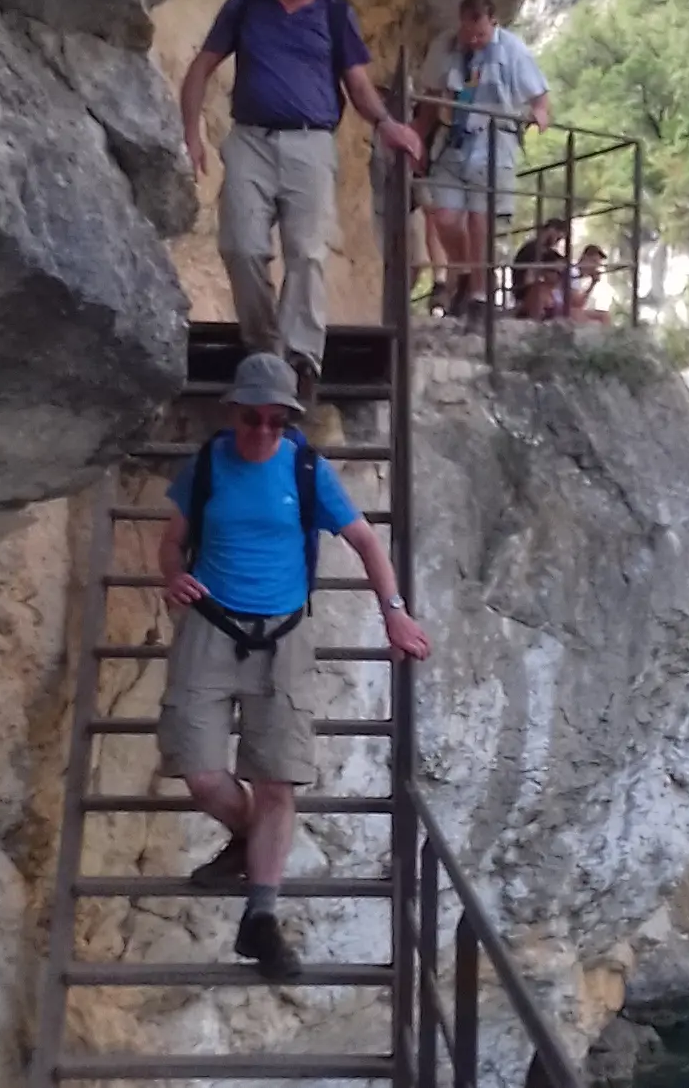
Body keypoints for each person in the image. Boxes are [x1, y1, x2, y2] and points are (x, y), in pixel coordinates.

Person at [157, 352, 431, 979]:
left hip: (284, 633)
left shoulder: (305, 468)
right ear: (233, 414)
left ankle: (261, 917)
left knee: (278, 780)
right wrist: (173, 578)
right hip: (210, 625)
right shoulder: (207, 467)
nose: (263, 432)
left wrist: (394, 612)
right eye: (253, 419)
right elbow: (171, 542)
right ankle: (253, 843)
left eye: (277, 421)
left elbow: (365, 541)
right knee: (200, 773)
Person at [180, 0, 423, 403]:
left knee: (307, 252)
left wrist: (387, 124)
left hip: (311, 144)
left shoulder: (335, 13)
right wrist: (191, 133)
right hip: (250, 138)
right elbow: (201, 68)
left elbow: (357, 84)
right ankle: (265, 348)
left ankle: (300, 359)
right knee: (240, 245)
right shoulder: (248, 2)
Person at [414, 0, 552, 319]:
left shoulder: (513, 50)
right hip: (453, 142)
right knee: (444, 216)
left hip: (494, 142)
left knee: (481, 221)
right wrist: (416, 137)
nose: (474, 40)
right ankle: (465, 273)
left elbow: (541, 98)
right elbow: (432, 97)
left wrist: (538, 116)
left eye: (481, 34)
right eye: (468, 33)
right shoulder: (446, 48)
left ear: (494, 23)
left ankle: (478, 294)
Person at [367, 81, 442, 308]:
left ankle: (401, 303)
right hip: (385, 208)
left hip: (411, 206)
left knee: (417, 261)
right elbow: (379, 172)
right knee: (389, 262)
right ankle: (393, 307)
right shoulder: (380, 133)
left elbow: (419, 171)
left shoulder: (416, 130)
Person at [511, 218, 568, 320]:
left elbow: (561, 262)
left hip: (536, 290)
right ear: (551, 230)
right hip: (524, 291)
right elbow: (528, 279)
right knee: (541, 289)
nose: (556, 242)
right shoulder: (531, 249)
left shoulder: (547, 251)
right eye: (558, 238)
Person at [568, 243, 611, 322]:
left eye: (597, 264)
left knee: (604, 316)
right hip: (562, 309)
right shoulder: (573, 272)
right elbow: (577, 303)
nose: (595, 267)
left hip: (571, 309)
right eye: (593, 262)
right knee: (578, 314)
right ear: (584, 258)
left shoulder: (579, 277)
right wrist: (592, 284)